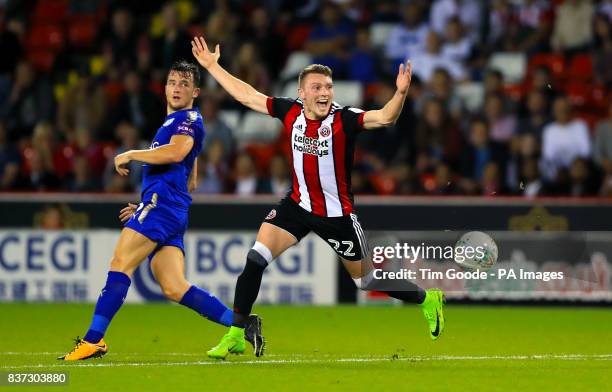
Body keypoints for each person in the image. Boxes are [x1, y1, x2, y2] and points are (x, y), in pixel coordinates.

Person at [191, 36, 446, 360]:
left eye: (328, 87)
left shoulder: (344, 120)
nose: (324, 93)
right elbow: (249, 97)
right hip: (297, 205)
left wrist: (400, 93)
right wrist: (214, 67)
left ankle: (427, 299)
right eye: (317, 88)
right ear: (302, 93)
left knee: (365, 280)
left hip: (336, 216)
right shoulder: (289, 112)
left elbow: (385, 117)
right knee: (255, 259)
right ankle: (236, 334)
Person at [58, 61, 263, 360]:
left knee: (120, 263)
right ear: (165, 88)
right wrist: (148, 202)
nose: (177, 88)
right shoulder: (184, 122)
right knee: (174, 287)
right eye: (172, 82)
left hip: (163, 207)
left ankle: (93, 340)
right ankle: (242, 323)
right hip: (170, 208)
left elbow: (178, 152)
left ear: (196, 91)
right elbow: (190, 179)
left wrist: (131, 154)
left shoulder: (186, 120)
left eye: (184, 83)